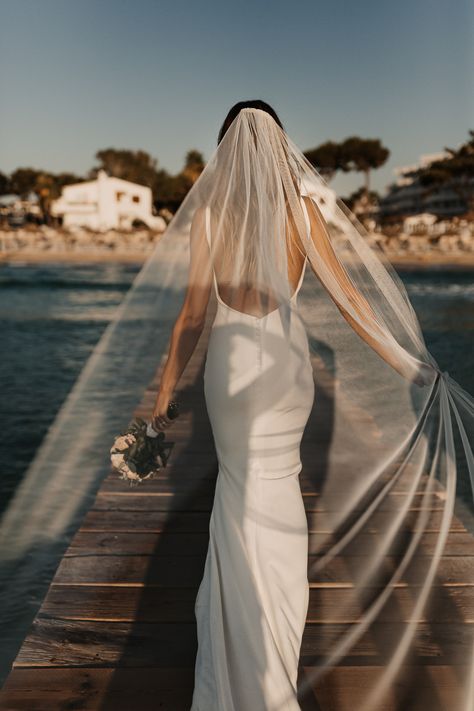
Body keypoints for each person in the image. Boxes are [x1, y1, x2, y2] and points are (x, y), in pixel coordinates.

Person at [149, 101, 474, 711]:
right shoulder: (301, 214)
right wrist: (410, 365)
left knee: (235, 493)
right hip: (285, 374)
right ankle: (275, 657)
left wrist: (166, 392)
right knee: (280, 491)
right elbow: (350, 299)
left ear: (226, 153)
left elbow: (192, 318)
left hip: (231, 371)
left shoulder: (211, 218)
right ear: (279, 150)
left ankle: (234, 650)